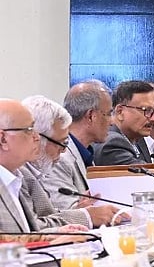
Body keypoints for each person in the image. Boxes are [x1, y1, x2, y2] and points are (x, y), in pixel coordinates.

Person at [19, 96, 120, 228]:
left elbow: (46, 217)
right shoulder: (17, 175)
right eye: (62, 143)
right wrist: (86, 216)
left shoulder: (29, 173)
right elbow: (31, 227)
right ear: (36, 138)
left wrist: (79, 209)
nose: (64, 151)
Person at [0, 99, 89, 240]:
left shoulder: (16, 176)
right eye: (29, 130)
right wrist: (49, 242)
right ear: (3, 139)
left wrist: (56, 234)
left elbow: (22, 236)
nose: (36, 137)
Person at [44, 80, 112, 209]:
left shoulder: (85, 151)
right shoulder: (60, 157)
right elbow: (67, 211)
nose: (112, 121)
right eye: (108, 114)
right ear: (91, 116)